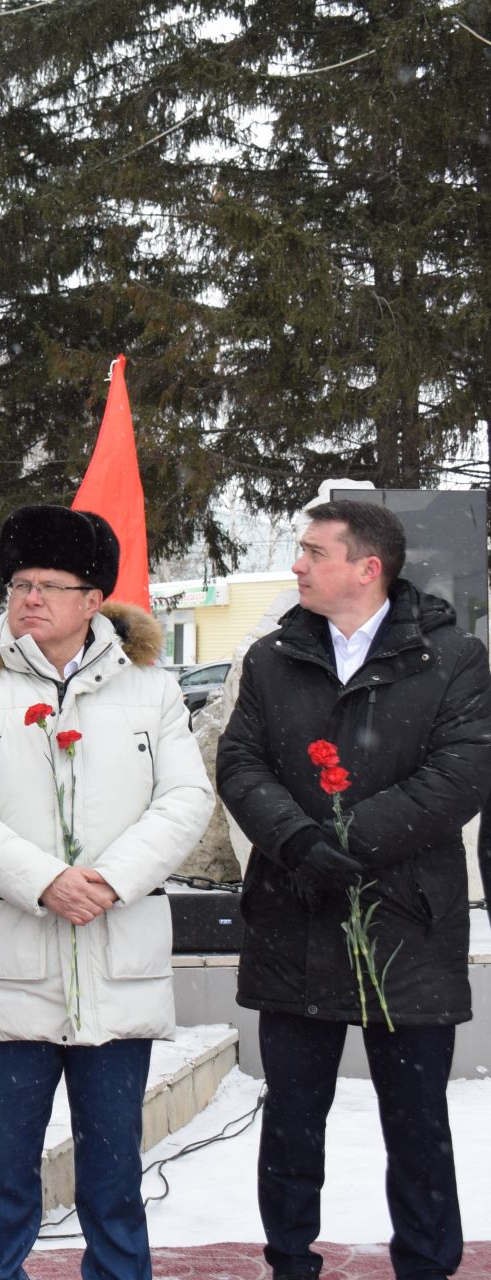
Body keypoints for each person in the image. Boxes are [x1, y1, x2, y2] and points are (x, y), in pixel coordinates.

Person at [0, 505, 212, 1279]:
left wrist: (110, 880)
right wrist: (43, 880)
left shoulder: (149, 688)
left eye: (50, 585)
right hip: (12, 968)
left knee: (115, 1178)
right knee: (6, 1172)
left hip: (118, 968)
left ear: (94, 599)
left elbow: (185, 800)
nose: (30, 600)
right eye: (19, 584)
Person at [217, 500, 491, 1280]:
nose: (296, 564)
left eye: (312, 551)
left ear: (367, 568)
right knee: (293, 1124)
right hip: (293, 919)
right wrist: (300, 841)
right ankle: (291, 1262)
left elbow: (460, 775)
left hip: (407, 925)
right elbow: (240, 763)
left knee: (417, 1128)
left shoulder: (453, 657)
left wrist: (349, 839)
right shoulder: (272, 658)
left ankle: (427, 1265)